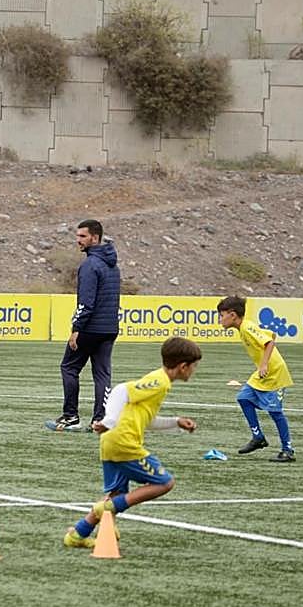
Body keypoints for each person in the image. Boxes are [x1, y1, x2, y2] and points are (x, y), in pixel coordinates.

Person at [64, 337, 201, 549]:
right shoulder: (161, 381)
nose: (194, 370)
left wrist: (176, 422)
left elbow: (148, 421)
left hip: (111, 442)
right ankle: (108, 508)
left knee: (116, 493)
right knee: (164, 482)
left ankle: (78, 534)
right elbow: (121, 390)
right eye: (194, 366)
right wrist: (109, 420)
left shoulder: (160, 383)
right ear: (183, 366)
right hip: (124, 442)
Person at [54, 219, 120, 431]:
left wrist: (76, 328)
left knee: (69, 367)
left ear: (95, 237)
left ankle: (71, 416)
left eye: (82, 236)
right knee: (102, 374)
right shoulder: (113, 264)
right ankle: (100, 421)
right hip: (109, 328)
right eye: (77, 236)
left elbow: (86, 302)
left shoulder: (89, 265)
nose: (78, 240)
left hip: (90, 328)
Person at [216, 296, 295, 461]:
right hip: (262, 374)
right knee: (243, 398)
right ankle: (258, 437)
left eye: (221, 315)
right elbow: (271, 335)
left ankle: (287, 450)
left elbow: (269, 343)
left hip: (275, 373)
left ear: (232, 315)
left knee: (275, 412)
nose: (220, 320)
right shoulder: (244, 328)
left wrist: (264, 364)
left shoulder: (246, 327)